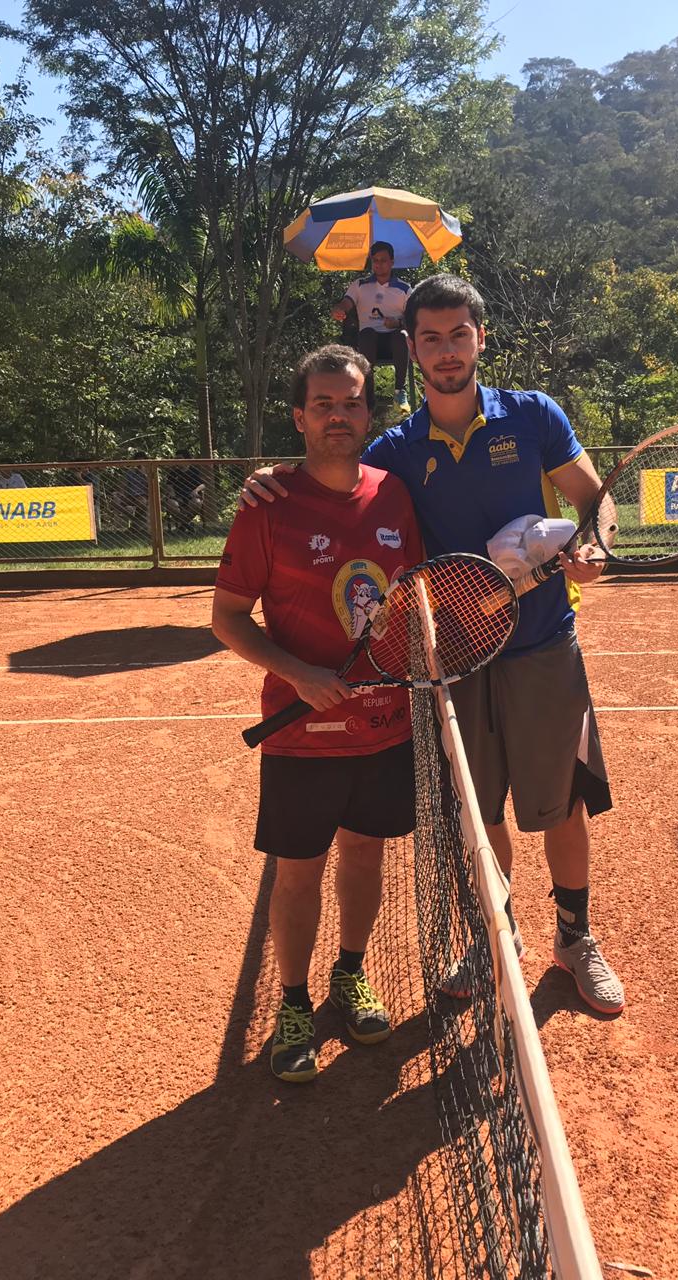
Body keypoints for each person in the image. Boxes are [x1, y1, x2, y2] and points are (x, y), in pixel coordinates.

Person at [242, 276, 625, 1016]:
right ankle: (496, 938)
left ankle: (574, 937)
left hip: (544, 646)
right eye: (430, 338)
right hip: (456, 660)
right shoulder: (394, 450)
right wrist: (269, 480)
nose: (447, 351)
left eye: (458, 335)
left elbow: (593, 500)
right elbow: (332, 476)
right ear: (411, 349)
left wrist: (596, 545)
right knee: (479, 814)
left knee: (562, 804)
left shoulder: (534, 416)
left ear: (480, 338)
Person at [212, 344, 423, 1082]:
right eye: (324, 404)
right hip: (300, 736)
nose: (339, 416)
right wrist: (299, 675)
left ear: (368, 414)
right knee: (298, 873)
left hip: (384, 727)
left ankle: (351, 972)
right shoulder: (267, 507)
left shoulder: (396, 496)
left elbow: (417, 600)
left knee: (365, 855)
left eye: (351, 403)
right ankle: (295, 1002)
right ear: (299, 417)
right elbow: (228, 619)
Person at [331, 241, 412, 415]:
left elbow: (413, 319)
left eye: (383, 260)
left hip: (395, 345)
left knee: (401, 335)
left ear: (392, 262)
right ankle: (367, 391)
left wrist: (397, 323)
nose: (379, 264)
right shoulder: (360, 285)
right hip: (368, 344)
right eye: (375, 260)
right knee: (367, 334)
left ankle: (400, 391)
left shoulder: (404, 289)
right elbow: (347, 302)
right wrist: (340, 309)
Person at [164, 452, 205, 531]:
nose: (177, 460)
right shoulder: (173, 473)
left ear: (186, 459)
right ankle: (186, 524)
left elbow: (203, 484)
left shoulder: (194, 471)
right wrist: (171, 492)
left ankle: (183, 524)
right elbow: (169, 485)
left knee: (197, 503)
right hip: (177, 497)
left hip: (191, 496)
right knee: (171, 504)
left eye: (179, 458)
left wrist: (196, 491)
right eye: (176, 459)